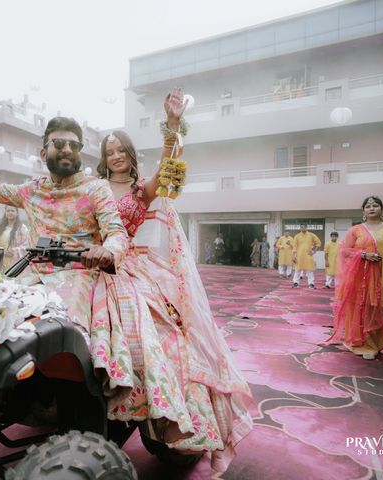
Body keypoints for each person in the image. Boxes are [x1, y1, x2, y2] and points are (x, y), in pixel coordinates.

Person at [91, 89, 252, 472]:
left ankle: (169, 416)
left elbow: (166, 169)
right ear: (103, 158)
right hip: (93, 267)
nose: (115, 156)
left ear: (130, 156)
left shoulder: (139, 191)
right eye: (108, 150)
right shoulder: (92, 189)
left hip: (131, 270)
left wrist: (173, 124)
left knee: (164, 336)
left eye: (121, 150)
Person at [0, 105, 128, 333]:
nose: (67, 149)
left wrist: (107, 251)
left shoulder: (96, 188)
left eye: (74, 145)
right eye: (59, 143)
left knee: (57, 332)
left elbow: (116, 231)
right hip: (31, 276)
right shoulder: (31, 191)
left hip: (79, 278)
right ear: (44, 153)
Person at [325, 196, 383, 359]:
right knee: (366, 309)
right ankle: (365, 343)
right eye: (368, 206)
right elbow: (344, 251)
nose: (372, 208)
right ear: (363, 211)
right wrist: (364, 255)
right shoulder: (356, 230)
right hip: (364, 277)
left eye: (375, 205)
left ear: (382, 210)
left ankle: (378, 343)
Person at [0, 205, 30, 271]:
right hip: (1, 261)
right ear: (5, 213)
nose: (10, 213)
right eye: (8, 211)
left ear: (17, 213)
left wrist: (14, 251)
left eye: (12, 211)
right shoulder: (1, 228)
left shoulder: (22, 228)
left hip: (15, 262)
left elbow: (27, 246)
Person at [292, 224, 321, 288]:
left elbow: (318, 243)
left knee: (309, 270)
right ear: (300, 228)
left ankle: (311, 283)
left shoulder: (311, 235)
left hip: (308, 255)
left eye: (304, 227)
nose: (302, 228)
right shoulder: (297, 236)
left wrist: (314, 251)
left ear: (306, 228)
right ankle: (296, 283)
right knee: (297, 270)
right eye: (301, 227)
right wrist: (294, 256)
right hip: (299, 255)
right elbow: (294, 247)